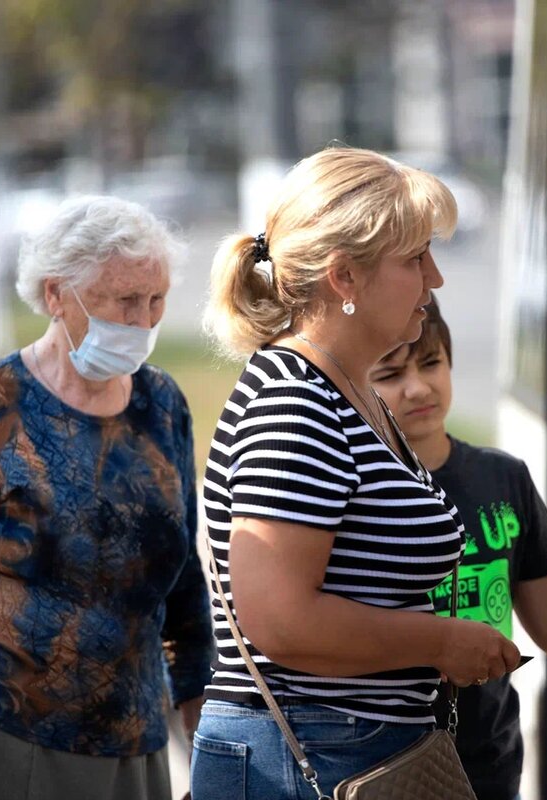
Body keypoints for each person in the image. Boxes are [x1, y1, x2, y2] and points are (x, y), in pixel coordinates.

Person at [192, 145, 521, 800]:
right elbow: (282, 622)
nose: (436, 278)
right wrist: (441, 642)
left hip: (343, 751)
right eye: (414, 259)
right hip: (308, 759)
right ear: (344, 278)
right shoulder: (296, 400)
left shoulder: (346, 389)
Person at [0, 196, 214, 800]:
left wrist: (202, 725)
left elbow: (184, 586)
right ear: (55, 296)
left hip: (134, 741)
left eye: (156, 300)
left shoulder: (161, 404)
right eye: (124, 301)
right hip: (1, 740)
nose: (144, 321)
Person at [367, 295, 547, 799]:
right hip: (381, 765)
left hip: (490, 765)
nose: (418, 387)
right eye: (390, 375)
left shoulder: (503, 478)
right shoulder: (355, 489)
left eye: (432, 363)